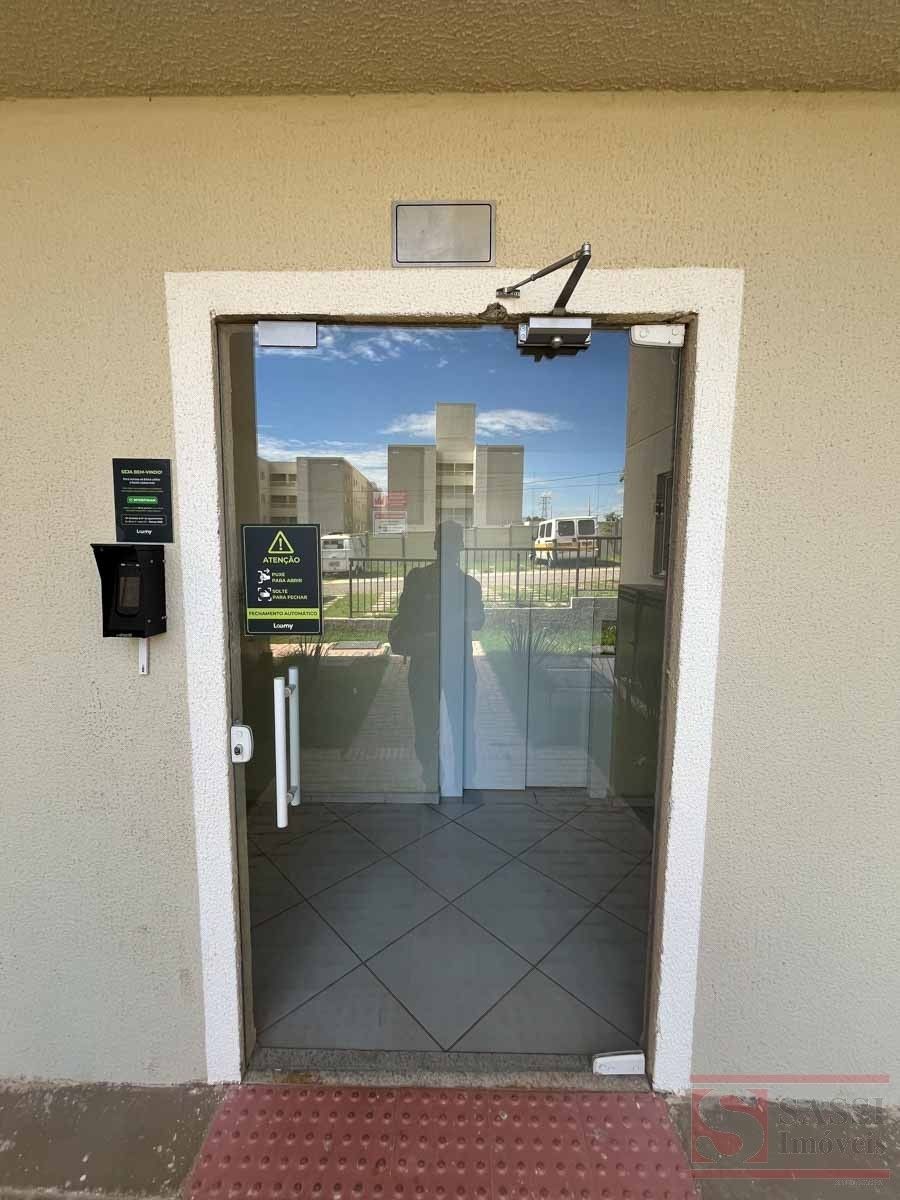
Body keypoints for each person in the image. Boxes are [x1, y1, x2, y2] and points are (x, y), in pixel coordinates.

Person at [389, 520, 484, 788]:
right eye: (447, 543)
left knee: (455, 727)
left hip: (454, 667)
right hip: (429, 665)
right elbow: (406, 618)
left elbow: (478, 620)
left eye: (451, 543)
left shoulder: (468, 585)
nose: (449, 549)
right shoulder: (419, 580)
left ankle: (455, 779)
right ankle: (437, 778)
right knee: (430, 729)